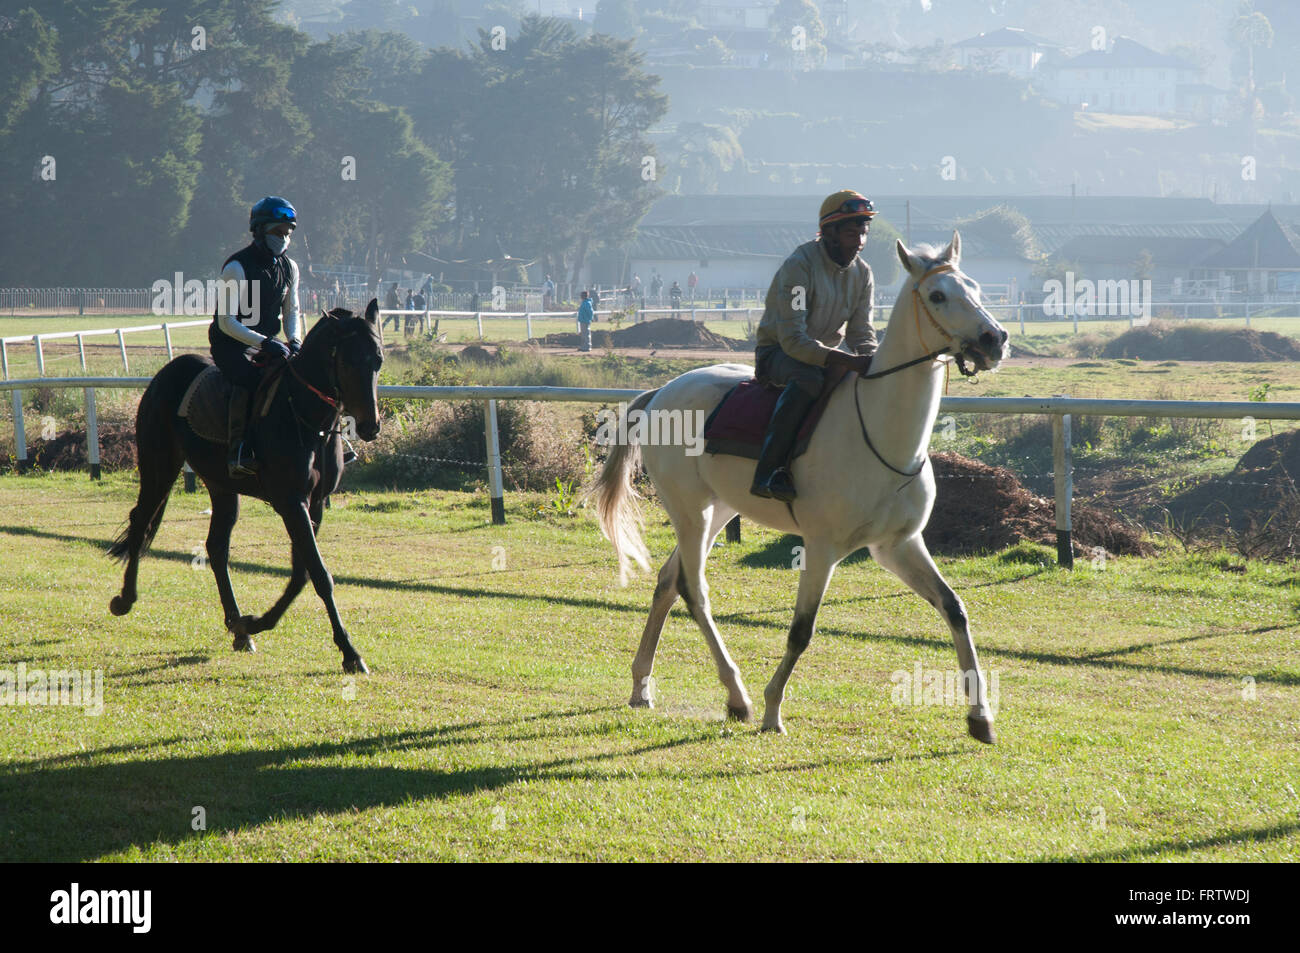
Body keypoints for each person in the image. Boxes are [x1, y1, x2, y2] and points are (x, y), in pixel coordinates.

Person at [749, 190, 878, 502]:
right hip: (779, 354)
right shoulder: (799, 267)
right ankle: (769, 471)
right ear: (829, 232)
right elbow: (793, 341)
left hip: (825, 357)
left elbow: (861, 333)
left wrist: (873, 359)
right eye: (851, 233)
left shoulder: (863, 274)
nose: (858, 242)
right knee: (809, 379)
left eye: (863, 233)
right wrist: (845, 361)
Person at [209, 195, 302, 477]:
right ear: (260, 230)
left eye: (288, 233)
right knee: (250, 380)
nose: (284, 238)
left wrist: (295, 339)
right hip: (232, 345)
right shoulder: (236, 268)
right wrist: (266, 342)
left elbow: (292, 310)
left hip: (270, 345)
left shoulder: (290, 267)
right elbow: (226, 322)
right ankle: (239, 450)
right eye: (278, 232)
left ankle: (324, 443)